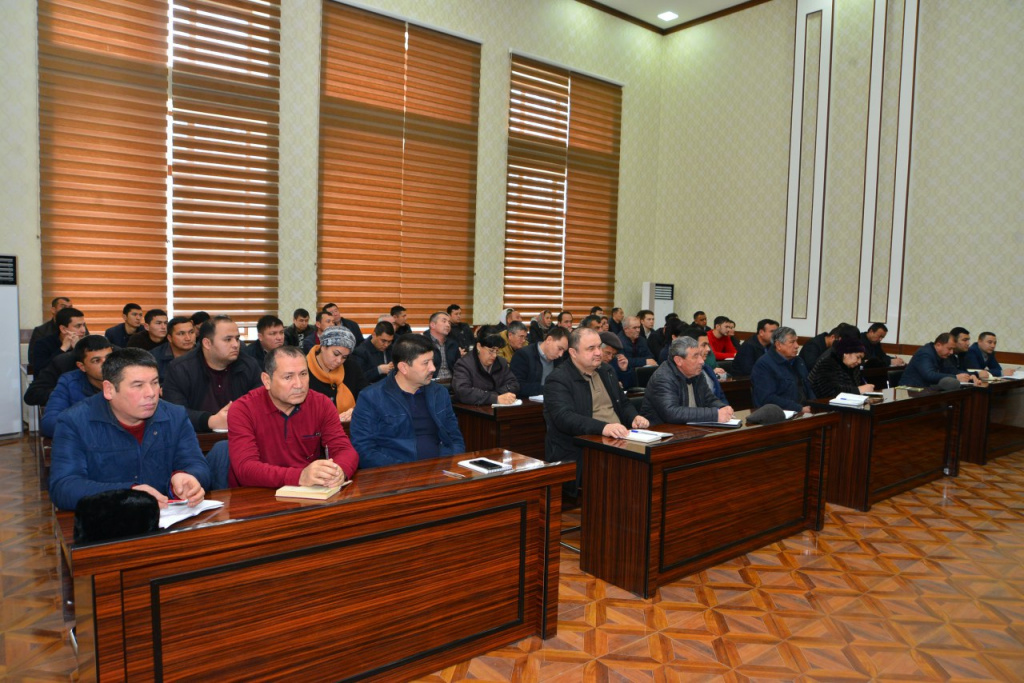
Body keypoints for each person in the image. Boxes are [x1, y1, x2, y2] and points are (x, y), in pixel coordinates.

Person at [48, 348, 210, 511]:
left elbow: (198, 465)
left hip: (169, 516)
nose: (151, 393)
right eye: (138, 385)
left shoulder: (175, 415)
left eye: (154, 383)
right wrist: (127, 494)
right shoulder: (74, 421)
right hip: (107, 519)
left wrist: (187, 477)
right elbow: (64, 487)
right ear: (109, 390)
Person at [227, 347, 359, 488]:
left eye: (303, 374)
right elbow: (246, 469)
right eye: (288, 377)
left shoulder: (322, 404)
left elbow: (345, 450)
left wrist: (340, 471)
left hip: (307, 492)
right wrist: (299, 476)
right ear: (267, 380)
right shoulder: (243, 410)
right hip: (257, 493)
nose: (299, 384)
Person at [543, 328, 649, 497]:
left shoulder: (606, 371)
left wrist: (634, 417)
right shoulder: (558, 379)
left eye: (599, 347)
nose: (599, 353)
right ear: (573, 353)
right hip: (582, 449)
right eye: (591, 348)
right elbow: (565, 418)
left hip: (618, 440)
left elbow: (623, 403)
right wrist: (604, 428)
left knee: (650, 467)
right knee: (627, 477)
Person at [350, 334, 465, 468]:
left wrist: (450, 463)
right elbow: (364, 449)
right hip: (395, 474)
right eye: (425, 363)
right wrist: (404, 472)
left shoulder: (439, 393)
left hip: (441, 470)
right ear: (404, 367)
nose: (433, 368)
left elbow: (455, 438)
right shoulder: (371, 397)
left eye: (432, 361)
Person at [162, 315, 263, 432]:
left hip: (242, 433)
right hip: (197, 437)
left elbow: (261, 403)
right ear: (207, 343)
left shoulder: (249, 365)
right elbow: (173, 412)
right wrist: (210, 421)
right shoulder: (180, 369)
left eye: (237, 338)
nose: (236, 344)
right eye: (228, 339)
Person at [642, 336, 733, 425]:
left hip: (689, 428)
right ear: (678, 360)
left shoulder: (697, 374)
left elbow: (709, 399)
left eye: (700, 355)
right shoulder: (662, 378)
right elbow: (672, 413)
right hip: (661, 430)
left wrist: (723, 407)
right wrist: (714, 415)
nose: (701, 361)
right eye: (695, 356)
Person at [40, 336, 112, 438]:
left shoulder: (127, 378)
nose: (106, 364)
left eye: (109, 358)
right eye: (96, 360)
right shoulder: (69, 382)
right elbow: (49, 423)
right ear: (82, 367)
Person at [750, 326, 815, 414]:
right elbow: (767, 398)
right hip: (778, 414)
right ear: (778, 345)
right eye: (792, 342)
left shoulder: (799, 361)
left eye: (796, 341)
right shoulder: (764, 365)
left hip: (803, 410)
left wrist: (814, 404)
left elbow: (808, 387)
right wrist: (799, 409)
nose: (797, 346)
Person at [453, 326, 520, 405]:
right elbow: (463, 391)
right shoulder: (464, 364)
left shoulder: (501, 362)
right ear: (478, 346)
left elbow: (514, 385)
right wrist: (494, 398)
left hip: (498, 409)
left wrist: (494, 395)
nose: (494, 355)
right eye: (491, 351)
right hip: (472, 410)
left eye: (497, 351)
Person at [306, 326, 362, 420]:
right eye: (336, 354)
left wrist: (355, 410)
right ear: (323, 347)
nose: (339, 360)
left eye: (344, 357)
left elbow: (365, 396)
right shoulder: (303, 370)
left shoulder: (351, 367)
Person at [901, 333, 982, 388]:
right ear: (938, 345)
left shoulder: (942, 355)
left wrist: (970, 376)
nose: (951, 352)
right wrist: (956, 377)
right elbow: (929, 375)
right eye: (949, 349)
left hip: (927, 389)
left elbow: (952, 371)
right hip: (910, 389)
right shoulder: (925, 353)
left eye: (953, 349)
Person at [511, 326, 569, 398]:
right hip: (528, 403)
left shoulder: (558, 360)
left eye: (563, 351)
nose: (561, 354)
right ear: (549, 340)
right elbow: (517, 386)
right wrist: (547, 389)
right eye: (560, 349)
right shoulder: (523, 355)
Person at [808, 336, 874, 398]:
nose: (859, 361)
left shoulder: (853, 367)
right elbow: (830, 392)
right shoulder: (827, 363)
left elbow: (860, 386)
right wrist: (858, 390)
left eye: (861, 358)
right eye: (858, 357)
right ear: (846, 353)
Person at [29, 306, 88, 374]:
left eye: (84, 325)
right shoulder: (43, 344)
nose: (83, 330)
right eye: (78, 326)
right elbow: (41, 372)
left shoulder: (87, 344)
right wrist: (63, 349)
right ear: (63, 329)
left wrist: (77, 349)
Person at [351, 320, 394, 384]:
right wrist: (379, 370)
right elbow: (359, 378)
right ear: (374, 335)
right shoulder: (360, 352)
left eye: (389, 341)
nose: (386, 345)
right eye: (383, 341)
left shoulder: (392, 348)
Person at [423, 310, 461, 380]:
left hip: (452, 382)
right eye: (444, 321)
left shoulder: (453, 344)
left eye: (449, 322)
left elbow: (458, 367)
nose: (448, 325)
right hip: (430, 382)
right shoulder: (422, 343)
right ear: (433, 325)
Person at [618, 316, 657, 381]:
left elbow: (651, 357)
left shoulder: (642, 340)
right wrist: (644, 361)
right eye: (634, 328)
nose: (638, 330)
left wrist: (639, 361)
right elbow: (624, 361)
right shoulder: (618, 342)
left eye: (639, 327)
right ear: (626, 329)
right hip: (626, 376)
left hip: (642, 374)